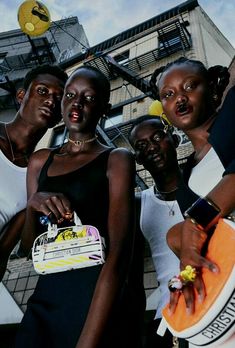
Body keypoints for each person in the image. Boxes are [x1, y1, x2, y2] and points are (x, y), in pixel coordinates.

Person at [15, 65, 143, 348]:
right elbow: (27, 248)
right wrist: (32, 206)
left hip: (96, 297)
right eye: (71, 95)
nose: (77, 104)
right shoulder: (40, 161)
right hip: (47, 297)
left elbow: (120, 254)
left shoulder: (117, 159)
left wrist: (88, 340)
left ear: (104, 109)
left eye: (89, 97)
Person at [150, 57, 235, 346]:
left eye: (190, 86)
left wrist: (195, 222)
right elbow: (196, 243)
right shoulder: (186, 180)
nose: (180, 98)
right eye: (168, 94)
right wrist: (182, 279)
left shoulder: (233, 113)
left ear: (212, 89)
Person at [0, 64, 68, 280]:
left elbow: (5, 251)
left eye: (59, 98)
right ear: (21, 95)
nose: (50, 100)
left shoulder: (37, 177)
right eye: (42, 91)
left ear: (59, 117)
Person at [129, 115, 189, 348]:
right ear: (138, 158)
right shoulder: (137, 205)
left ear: (173, 139)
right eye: (142, 146)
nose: (152, 147)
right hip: (169, 319)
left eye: (157, 137)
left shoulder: (205, 183)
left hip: (221, 299)